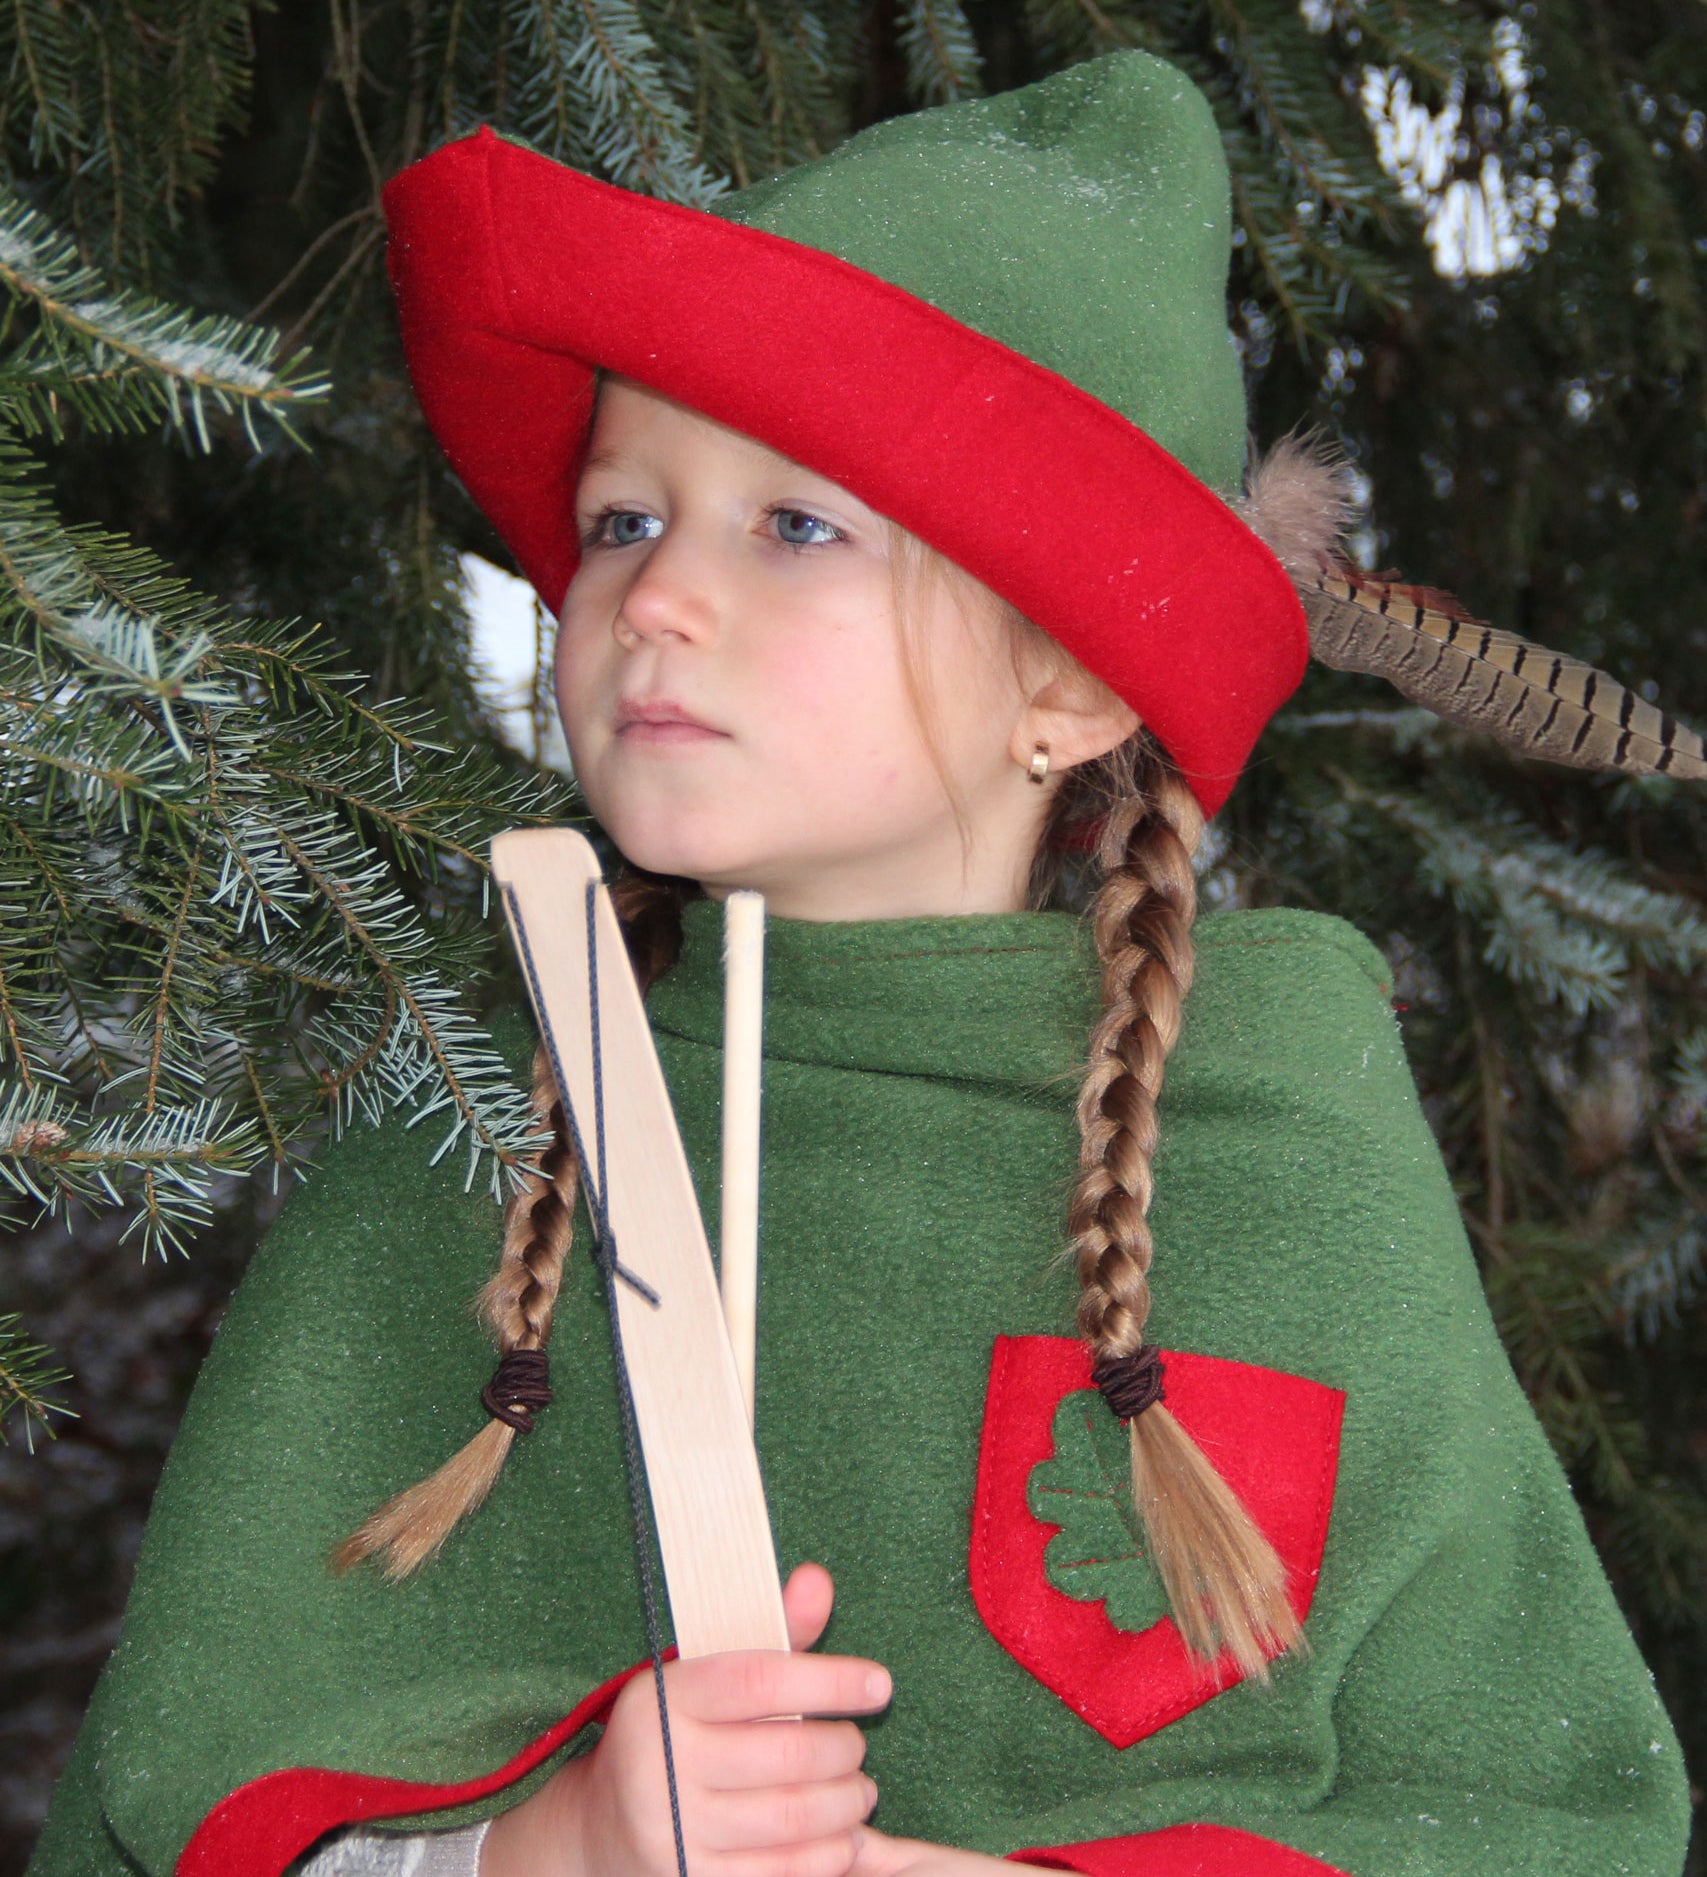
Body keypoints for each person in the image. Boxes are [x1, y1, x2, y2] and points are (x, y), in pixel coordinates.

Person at [28, 49, 1692, 1877]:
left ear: (1063, 681)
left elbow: (1534, 1810)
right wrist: (544, 1846)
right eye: (622, 517)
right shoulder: (494, 1135)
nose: (651, 593)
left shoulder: (1274, 1147)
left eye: (797, 524)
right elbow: (191, 1802)